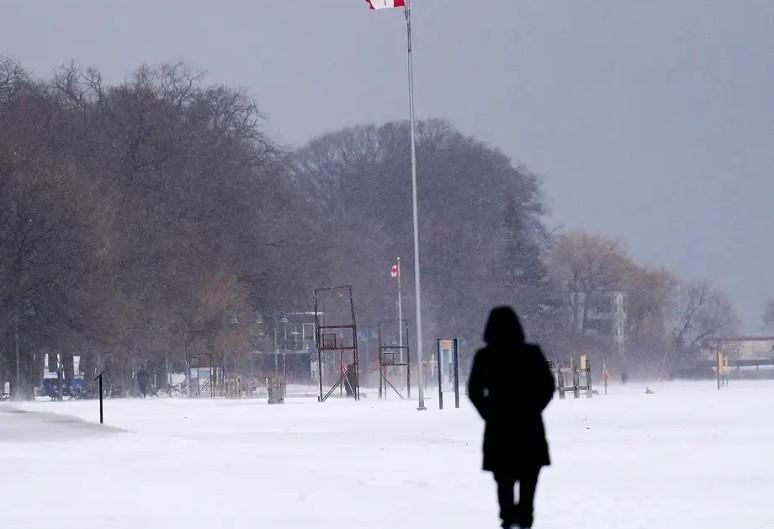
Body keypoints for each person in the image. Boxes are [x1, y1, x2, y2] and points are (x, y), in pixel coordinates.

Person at [468, 307, 555, 529]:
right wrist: (533, 408)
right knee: (529, 479)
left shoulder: (485, 356)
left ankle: (507, 518)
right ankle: (526, 518)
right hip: (529, 427)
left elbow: (474, 390)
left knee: (503, 480)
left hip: (499, 428)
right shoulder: (532, 353)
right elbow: (547, 385)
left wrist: (489, 412)